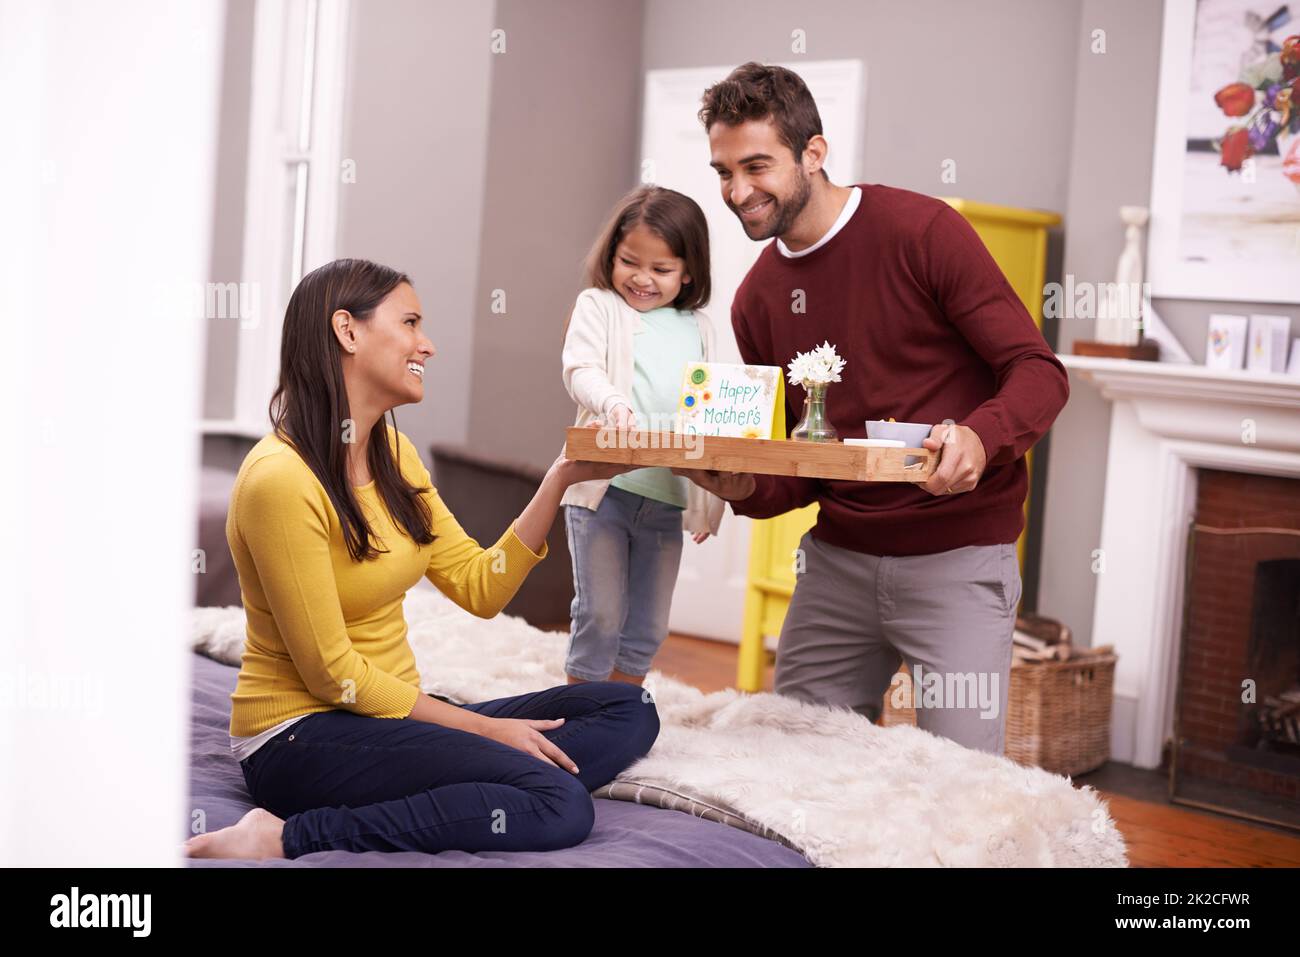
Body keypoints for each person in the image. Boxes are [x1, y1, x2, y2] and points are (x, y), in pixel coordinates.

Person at [186, 258, 654, 860]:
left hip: (389, 719)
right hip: (299, 738)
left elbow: (479, 588)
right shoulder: (280, 479)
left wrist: (561, 478)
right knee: (559, 804)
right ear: (347, 331)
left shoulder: (394, 454)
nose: (427, 345)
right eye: (409, 322)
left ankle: (471, 783)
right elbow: (334, 675)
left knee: (628, 708)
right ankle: (281, 835)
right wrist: (482, 729)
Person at [677, 62, 1070, 755]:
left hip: (958, 560)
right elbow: (804, 466)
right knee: (789, 767)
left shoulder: (924, 234)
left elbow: (1038, 372)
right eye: (723, 171)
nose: (737, 192)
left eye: (757, 166)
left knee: (962, 786)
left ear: (814, 153)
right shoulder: (756, 301)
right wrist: (743, 487)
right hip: (836, 564)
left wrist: (981, 438)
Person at [559, 185, 726, 687]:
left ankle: (618, 716)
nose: (643, 279)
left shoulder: (700, 328)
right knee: (601, 616)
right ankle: (579, 712)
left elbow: (709, 415)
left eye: (662, 269)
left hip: (665, 501)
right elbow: (579, 367)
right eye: (631, 262)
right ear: (612, 256)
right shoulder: (599, 307)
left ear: (689, 271)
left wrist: (708, 500)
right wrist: (611, 402)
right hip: (603, 494)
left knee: (648, 627)